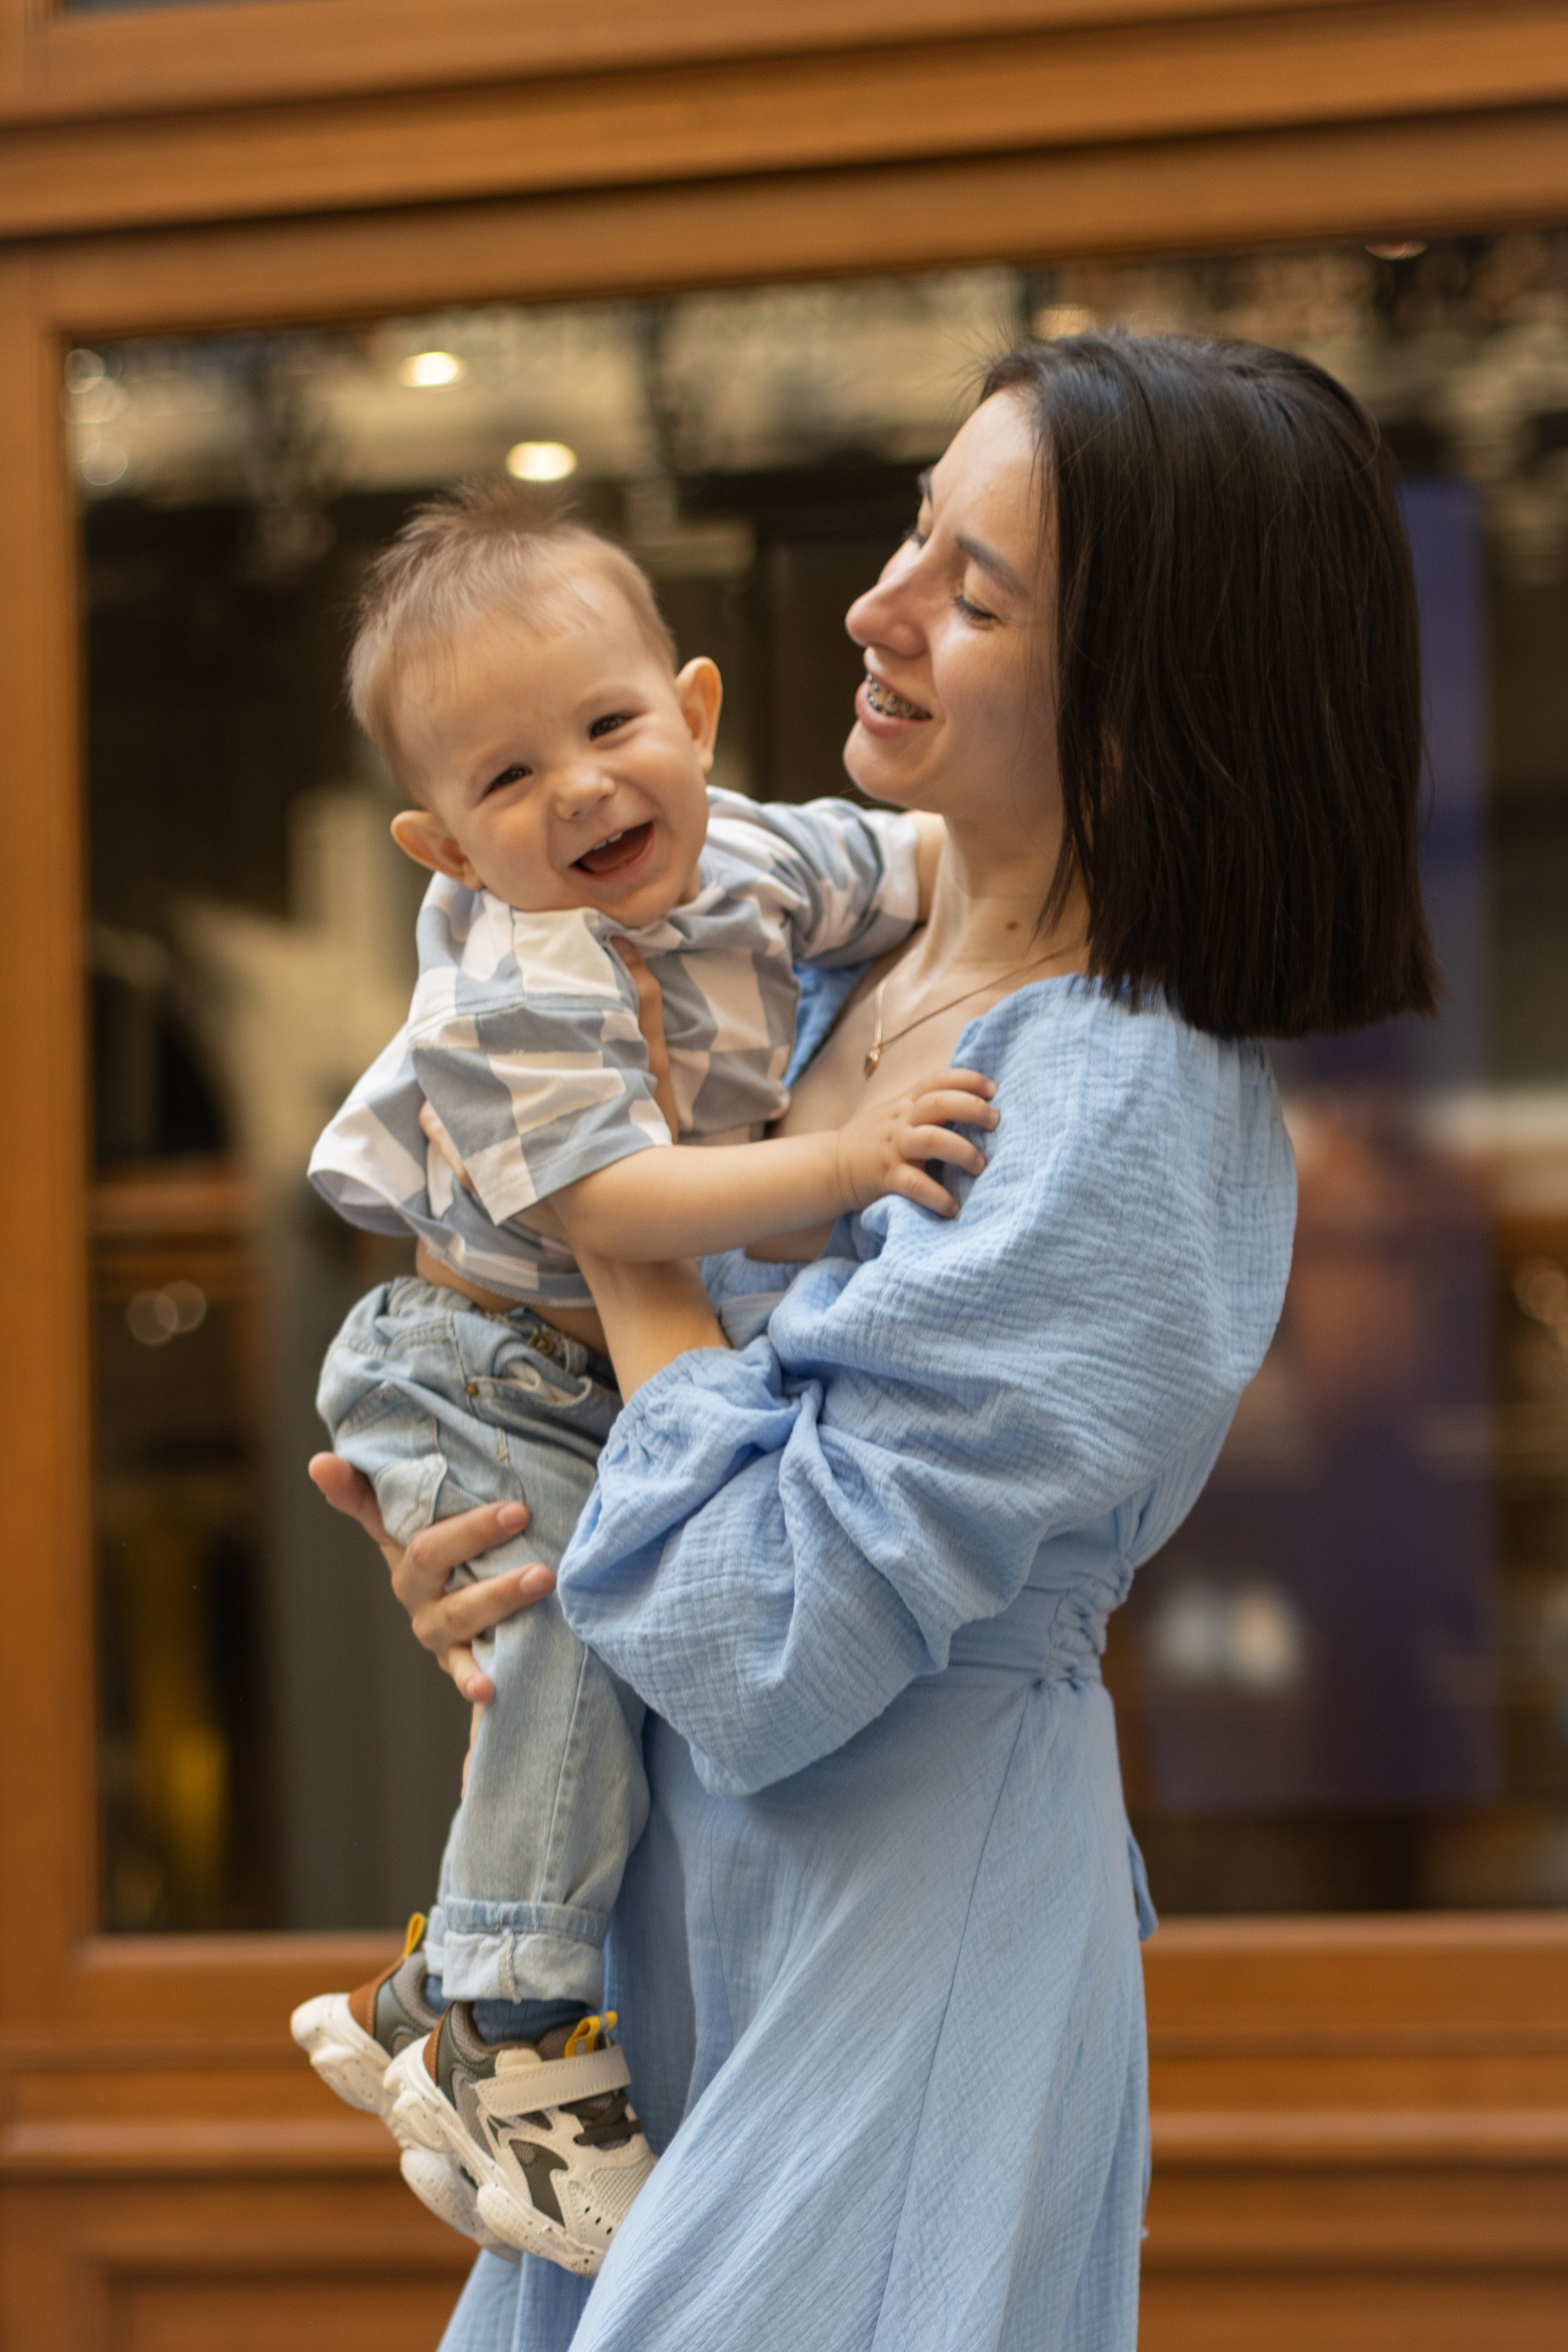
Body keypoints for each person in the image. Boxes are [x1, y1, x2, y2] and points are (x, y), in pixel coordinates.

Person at [314, 330, 1438, 2351]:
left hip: (894, 1934)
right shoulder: (844, 959)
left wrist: (609, 1219)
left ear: (1147, 692)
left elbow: (760, 1633)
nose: (874, 604)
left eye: (972, 589)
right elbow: (679, 1539)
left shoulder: (1121, 1099)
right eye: (918, 528)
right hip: (692, 1910)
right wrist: (513, 1535)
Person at [292, 488, 989, 2277]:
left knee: (589, 1631)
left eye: (607, 728)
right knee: (568, 1642)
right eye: (507, 781)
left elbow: (932, 869)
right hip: (471, 1360)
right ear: (442, 848)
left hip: (576, 1362)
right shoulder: (527, 970)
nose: (583, 791)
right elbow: (612, 1205)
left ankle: (435, 1994)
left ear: (691, 707)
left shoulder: (754, 851)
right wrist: (847, 1159)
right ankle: (518, 2020)